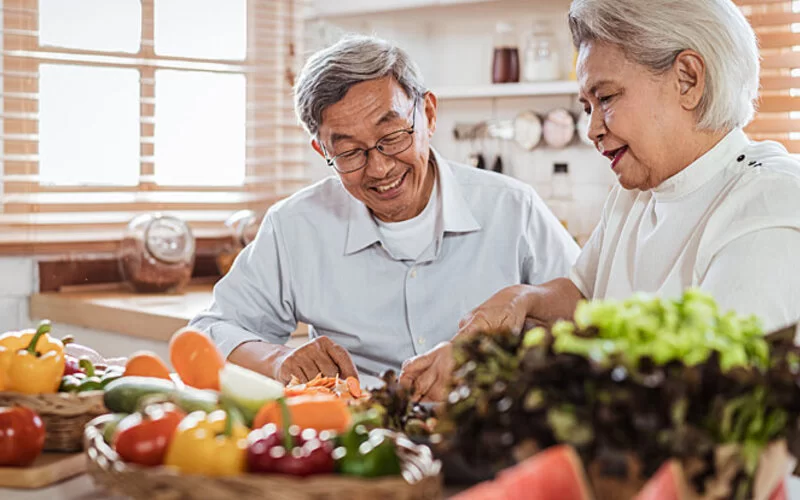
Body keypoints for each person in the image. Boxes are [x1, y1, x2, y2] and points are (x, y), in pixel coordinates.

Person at [189, 35, 580, 399]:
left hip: (490, 434)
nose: (379, 169)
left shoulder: (512, 208)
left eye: (392, 137)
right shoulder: (295, 226)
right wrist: (277, 360)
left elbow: (588, 311)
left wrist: (515, 316)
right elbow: (208, 331)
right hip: (359, 448)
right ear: (320, 149)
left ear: (427, 114)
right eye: (349, 153)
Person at [456, 0, 800, 347]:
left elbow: (714, 384)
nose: (592, 129)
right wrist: (523, 299)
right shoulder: (634, 193)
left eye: (605, 97)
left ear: (688, 80)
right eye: (588, 107)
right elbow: (584, 298)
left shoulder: (768, 204)